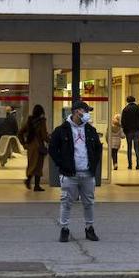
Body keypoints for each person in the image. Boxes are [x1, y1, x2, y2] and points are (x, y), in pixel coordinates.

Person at [48, 100, 101, 243]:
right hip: (69, 174)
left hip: (87, 174)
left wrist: (93, 165)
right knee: (66, 202)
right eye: (85, 111)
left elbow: (97, 148)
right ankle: (64, 229)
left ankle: (89, 228)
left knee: (89, 202)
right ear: (76, 111)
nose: (87, 114)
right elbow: (52, 149)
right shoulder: (62, 130)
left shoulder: (90, 130)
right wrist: (62, 165)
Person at [19, 104, 49, 191]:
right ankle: (35, 184)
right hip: (39, 146)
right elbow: (43, 135)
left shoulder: (29, 121)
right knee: (38, 166)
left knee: (32, 164)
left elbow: (20, 132)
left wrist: (24, 144)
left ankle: (30, 181)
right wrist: (49, 140)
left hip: (31, 146)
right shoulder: (41, 121)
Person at [120, 96, 139, 170]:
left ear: (127, 101)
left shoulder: (125, 109)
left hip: (129, 131)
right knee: (136, 147)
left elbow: (123, 122)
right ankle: (138, 165)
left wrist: (125, 130)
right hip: (137, 131)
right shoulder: (138, 108)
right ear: (134, 100)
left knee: (129, 148)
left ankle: (130, 165)